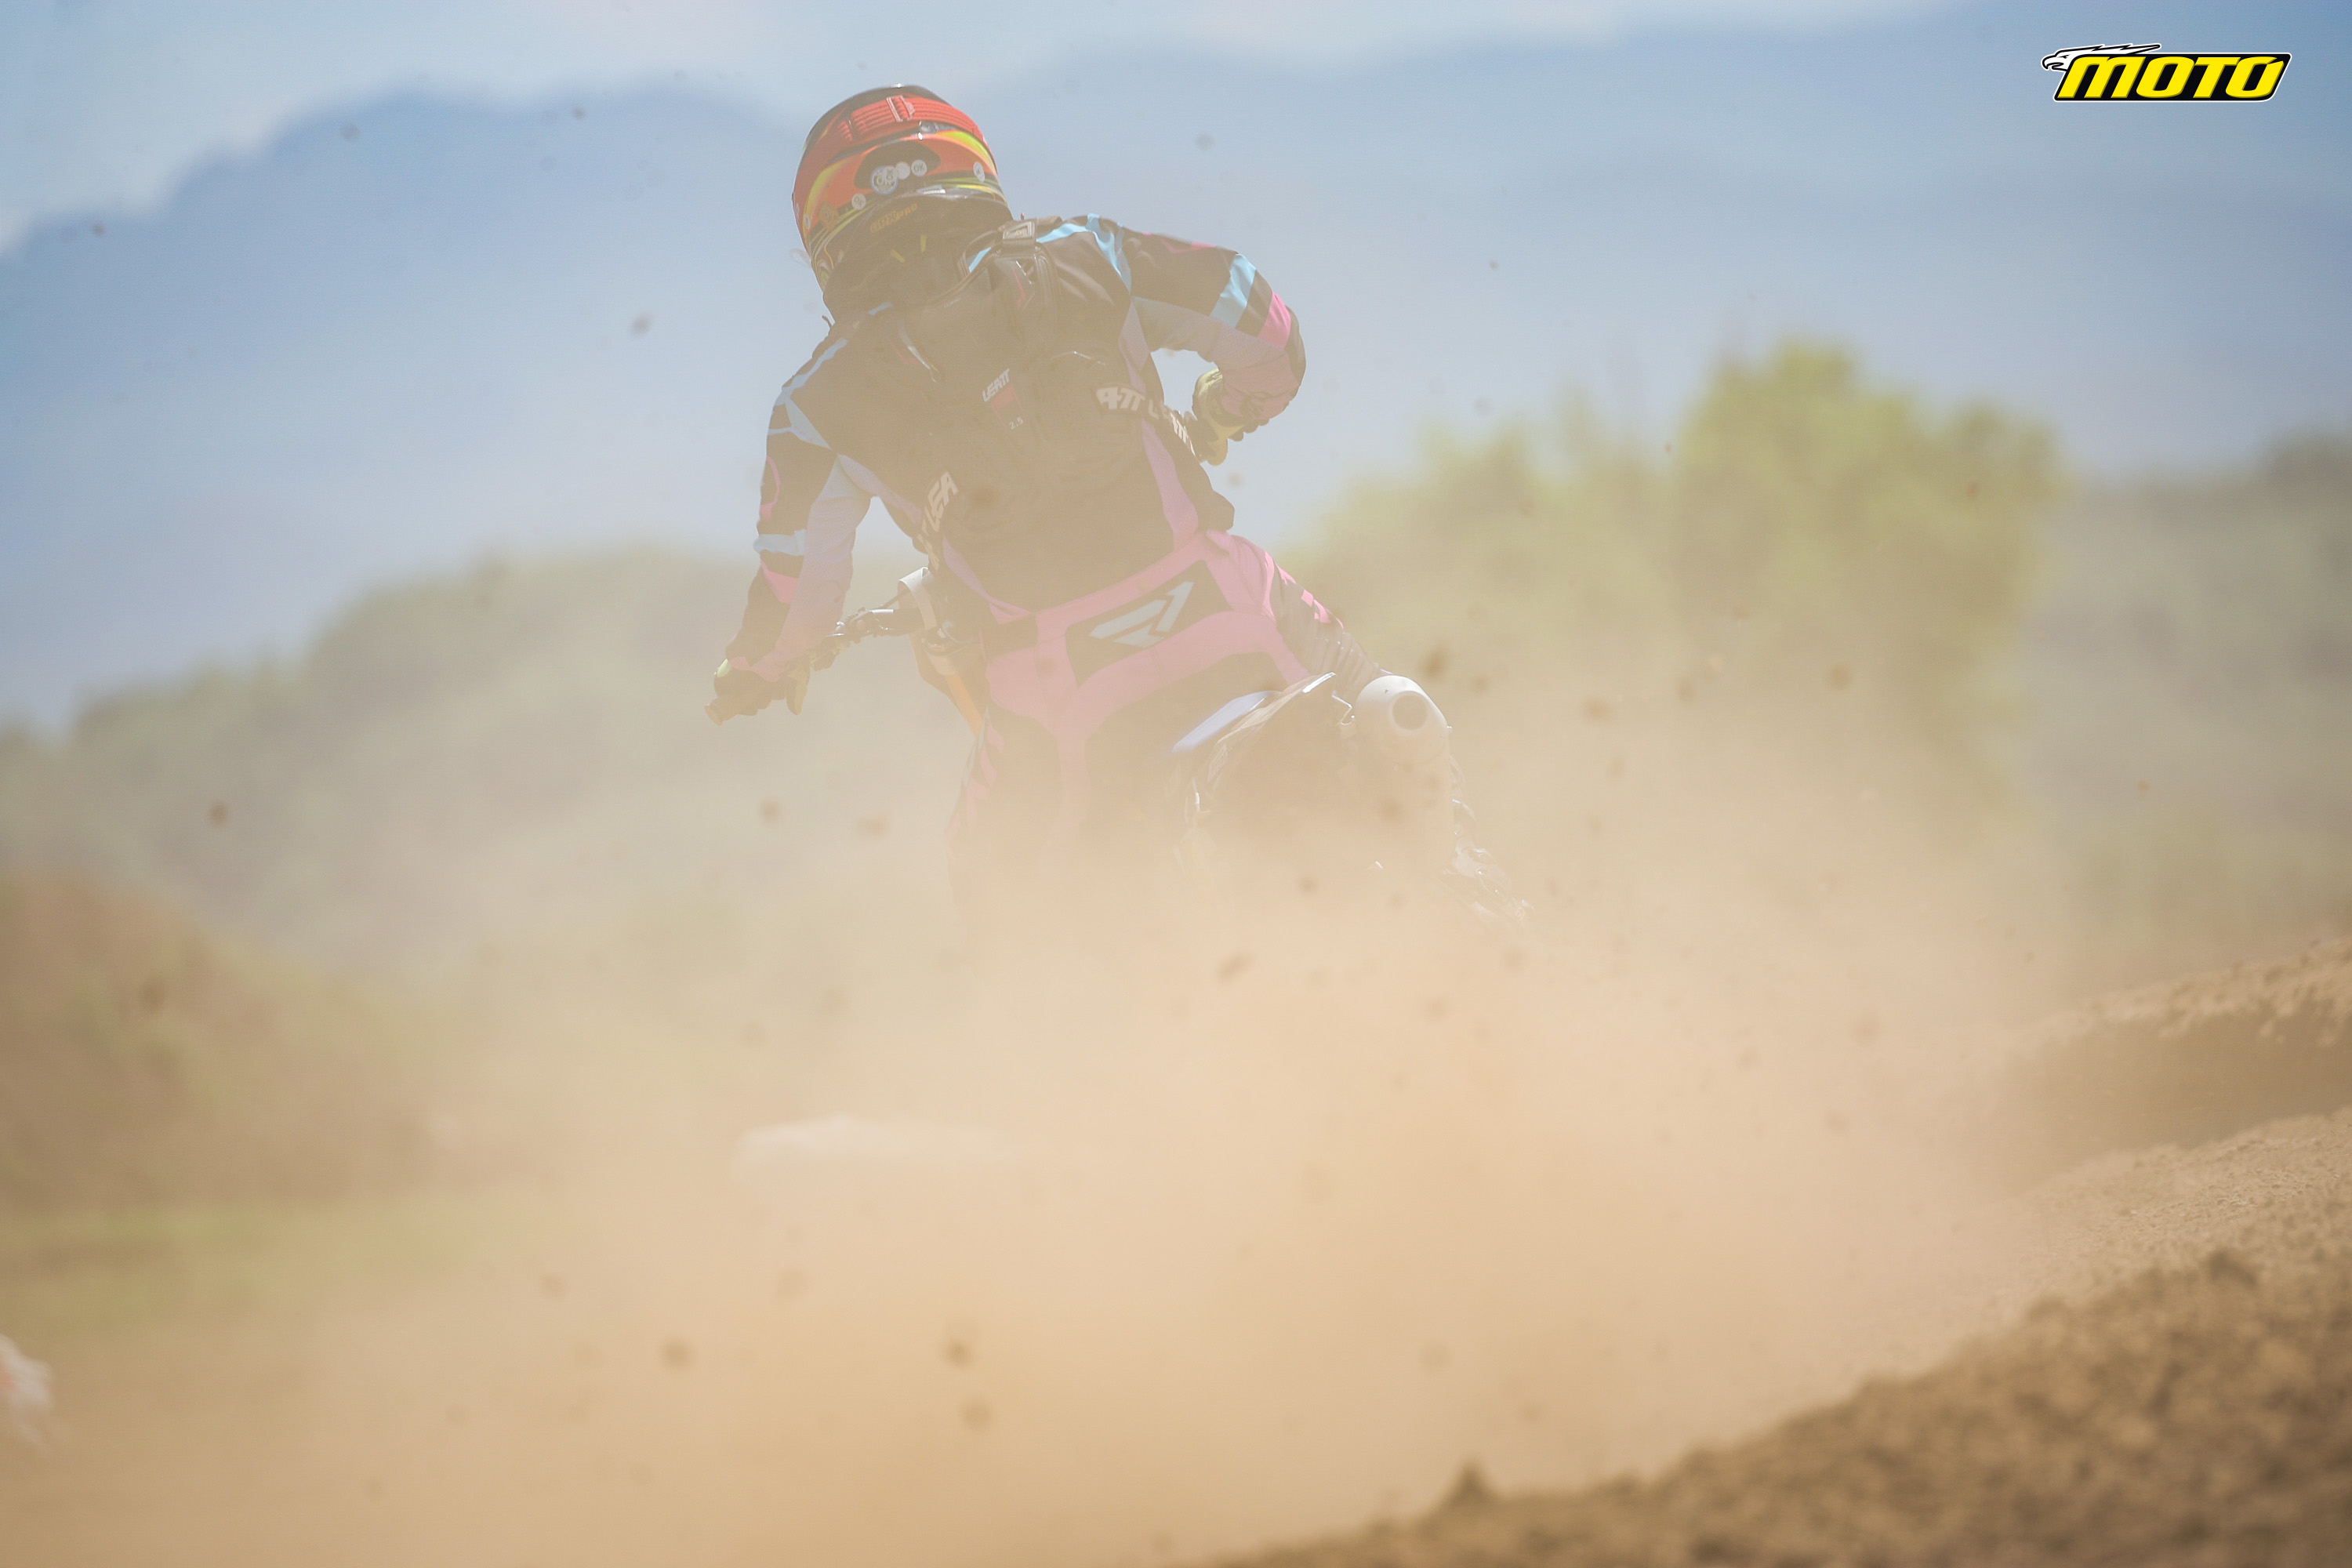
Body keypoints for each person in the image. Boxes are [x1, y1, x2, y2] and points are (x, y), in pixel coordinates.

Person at [709, 86, 1500, 922]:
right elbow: (1268, 334)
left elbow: (795, 592)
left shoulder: (815, 405)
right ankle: (1487, 902)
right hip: (1230, 599)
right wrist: (1226, 411)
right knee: (1389, 717)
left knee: (988, 881)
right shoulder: (1089, 252)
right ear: (969, 166)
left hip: (1051, 684)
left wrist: (757, 670)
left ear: (826, 228)